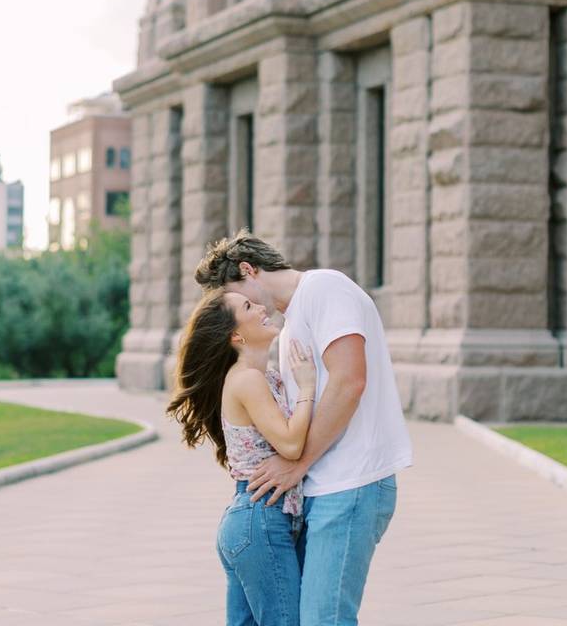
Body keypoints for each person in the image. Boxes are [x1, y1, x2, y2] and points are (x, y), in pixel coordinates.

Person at [195, 230, 413, 625]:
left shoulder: (325, 288)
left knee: (322, 620)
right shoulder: (288, 329)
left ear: (248, 270)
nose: (240, 308)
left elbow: (349, 381)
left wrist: (298, 463)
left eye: (235, 296)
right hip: (319, 488)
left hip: (351, 483)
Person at [166, 288, 317, 626]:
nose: (262, 307)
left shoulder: (264, 377)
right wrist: (307, 389)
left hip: (255, 520)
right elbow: (291, 446)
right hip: (261, 520)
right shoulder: (247, 380)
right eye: (249, 306)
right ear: (235, 335)